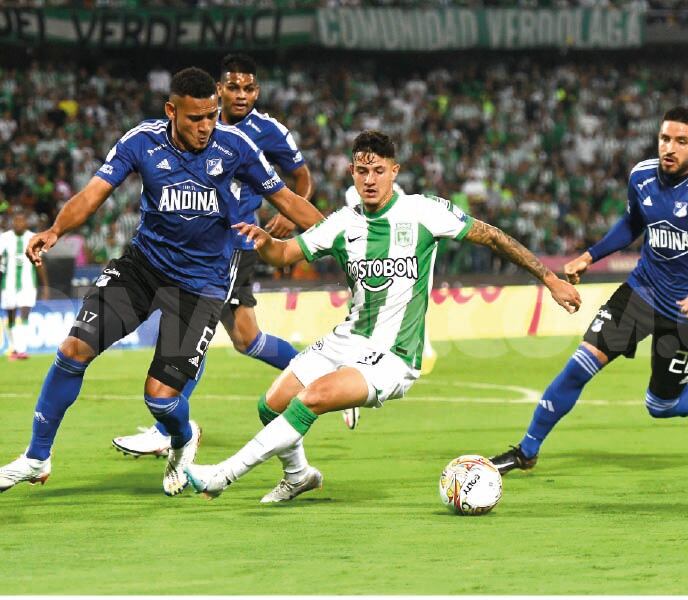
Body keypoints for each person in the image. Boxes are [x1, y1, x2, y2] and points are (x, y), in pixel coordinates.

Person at [183, 130, 581, 503]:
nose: (369, 179)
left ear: (395, 171)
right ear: (351, 172)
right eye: (362, 170)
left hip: (394, 354)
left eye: (378, 170)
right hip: (347, 338)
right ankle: (299, 475)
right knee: (270, 405)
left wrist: (550, 279)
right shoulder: (341, 223)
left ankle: (224, 474)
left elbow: (493, 236)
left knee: (314, 398)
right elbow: (285, 255)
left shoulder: (423, 212)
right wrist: (266, 243)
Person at [0, 67, 322, 496]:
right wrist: (56, 230)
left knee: (160, 398)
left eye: (211, 115)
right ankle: (36, 457)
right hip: (142, 268)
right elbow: (95, 192)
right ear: (171, 110)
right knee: (73, 348)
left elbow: (288, 201)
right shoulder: (142, 141)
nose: (206, 126)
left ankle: (182, 437)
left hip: (201, 283)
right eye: (195, 118)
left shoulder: (236, 147)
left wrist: (344, 240)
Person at [489, 107, 688, 475]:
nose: (669, 147)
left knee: (661, 405)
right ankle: (526, 451)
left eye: (681, 141)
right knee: (579, 366)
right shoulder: (642, 176)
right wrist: (591, 255)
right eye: (665, 138)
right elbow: (633, 222)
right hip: (643, 292)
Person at [111, 53, 317, 458]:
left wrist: (290, 216)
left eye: (249, 88)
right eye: (234, 87)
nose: (242, 95)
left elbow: (300, 179)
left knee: (194, 328)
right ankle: (318, 373)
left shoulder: (266, 131)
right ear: (218, 91)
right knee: (247, 339)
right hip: (200, 247)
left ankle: (166, 426)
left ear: (257, 91)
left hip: (233, 246)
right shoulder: (195, 124)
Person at [340, 182, 438, 430]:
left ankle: (351, 378)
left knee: (400, 313)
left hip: (392, 267)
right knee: (367, 323)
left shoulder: (404, 200)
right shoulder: (363, 196)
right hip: (374, 268)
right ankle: (349, 382)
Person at [1, 211, 49, 360]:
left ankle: (21, 349)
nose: (19, 224)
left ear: (26, 223)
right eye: (16, 221)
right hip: (7, 284)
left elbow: (39, 264)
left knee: (24, 314)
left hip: (28, 284)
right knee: (10, 316)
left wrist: (45, 286)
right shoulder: (4, 238)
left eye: (22, 221)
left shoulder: (33, 238)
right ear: (12, 222)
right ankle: (14, 348)